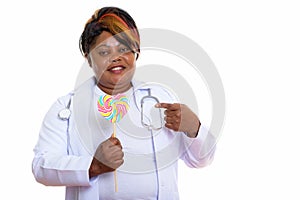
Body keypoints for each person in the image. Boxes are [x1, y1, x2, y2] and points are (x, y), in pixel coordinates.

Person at [32, 6, 216, 200]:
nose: (116, 57)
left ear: (135, 52)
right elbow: (41, 166)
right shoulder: (66, 108)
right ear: (88, 58)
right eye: (104, 52)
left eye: (124, 49)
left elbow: (202, 160)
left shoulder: (162, 99)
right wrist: (93, 166)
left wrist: (194, 128)